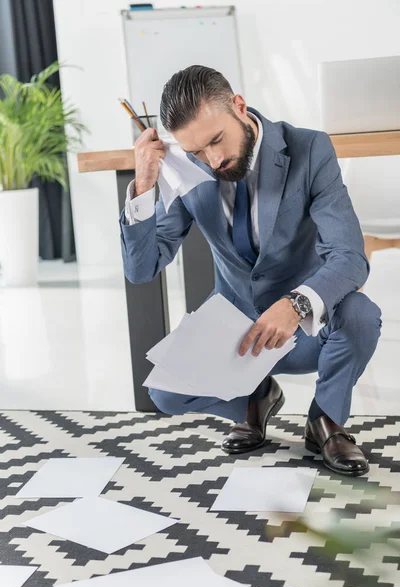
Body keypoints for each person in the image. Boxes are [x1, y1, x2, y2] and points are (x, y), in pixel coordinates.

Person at [119, 65, 382, 477]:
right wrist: (144, 185)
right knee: (164, 395)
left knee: (362, 316)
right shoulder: (190, 170)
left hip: (304, 331)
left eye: (216, 140)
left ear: (239, 106)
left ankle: (325, 422)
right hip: (237, 337)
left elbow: (349, 257)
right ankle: (256, 398)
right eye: (197, 152)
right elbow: (142, 269)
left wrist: (295, 305)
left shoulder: (309, 149)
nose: (214, 159)